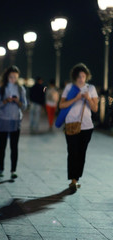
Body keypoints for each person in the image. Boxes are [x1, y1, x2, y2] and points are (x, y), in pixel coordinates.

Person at [59, 63, 98, 191]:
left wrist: (88, 98)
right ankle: (73, 180)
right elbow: (62, 105)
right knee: (72, 152)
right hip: (71, 124)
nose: (81, 78)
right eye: (79, 76)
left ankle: (77, 177)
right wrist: (76, 98)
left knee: (81, 153)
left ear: (86, 76)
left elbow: (95, 108)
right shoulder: (69, 88)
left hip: (86, 126)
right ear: (74, 77)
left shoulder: (91, 89)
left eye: (83, 76)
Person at [0, 66, 27, 179]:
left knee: (14, 146)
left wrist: (18, 101)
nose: (13, 79)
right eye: (11, 77)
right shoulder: (1, 89)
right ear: (7, 77)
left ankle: (13, 170)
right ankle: (1, 169)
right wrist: (6, 100)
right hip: (3, 119)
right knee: (2, 146)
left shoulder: (21, 89)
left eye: (15, 77)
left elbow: (24, 106)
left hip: (15, 120)